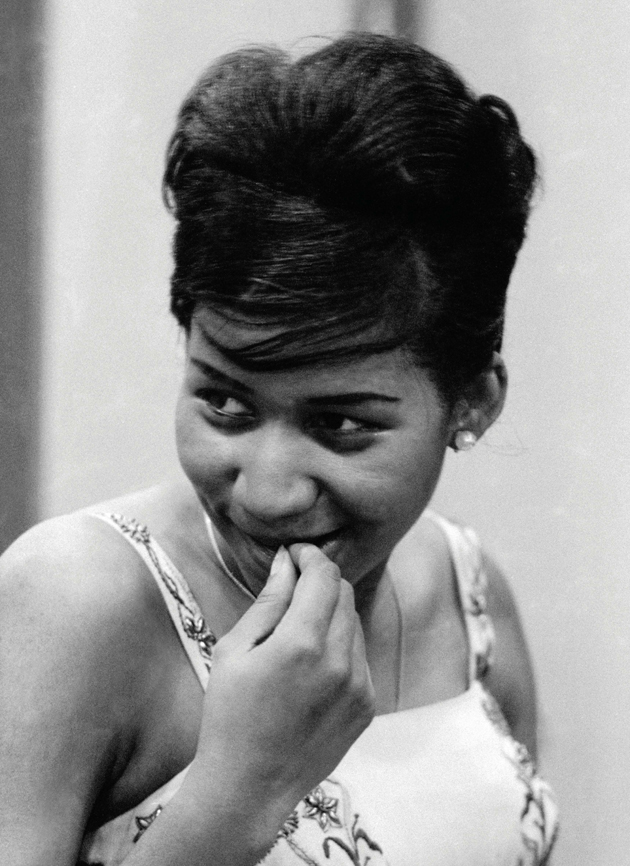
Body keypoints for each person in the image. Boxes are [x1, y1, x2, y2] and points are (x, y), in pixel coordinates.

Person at [0, 32, 558, 866]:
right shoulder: (76, 603)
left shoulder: (468, 592)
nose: (266, 492)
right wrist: (238, 793)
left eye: (340, 425)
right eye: (224, 402)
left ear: (472, 402)